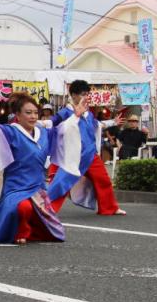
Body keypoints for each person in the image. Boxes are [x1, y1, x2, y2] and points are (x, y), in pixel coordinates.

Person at [0, 92, 69, 245]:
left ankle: (32, 230)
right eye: (28, 113)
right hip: (16, 186)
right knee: (23, 207)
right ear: (17, 114)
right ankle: (21, 231)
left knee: (53, 229)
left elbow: (62, 129)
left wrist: (76, 115)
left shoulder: (43, 132)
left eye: (35, 113)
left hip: (38, 187)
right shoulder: (10, 131)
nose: (33, 116)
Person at [45, 80, 126, 216]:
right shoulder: (65, 112)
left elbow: (97, 125)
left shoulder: (88, 114)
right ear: (74, 95)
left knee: (103, 180)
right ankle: (47, 209)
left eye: (88, 94)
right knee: (62, 183)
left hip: (90, 154)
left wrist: (113, 122)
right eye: (83, 94)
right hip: (71, 156)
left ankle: (109, 208)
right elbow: (52, 123)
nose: (86, 97)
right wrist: (37, 123)